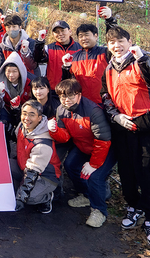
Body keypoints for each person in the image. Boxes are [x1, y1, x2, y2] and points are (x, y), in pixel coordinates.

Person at [101, 26, 150, 249]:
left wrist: (144, 59)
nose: (116, 46)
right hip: (123, 126)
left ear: (129, 42)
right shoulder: (109, 68)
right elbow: (105, 95)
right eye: (111, 42)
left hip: (147, 125)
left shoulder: (140, 61)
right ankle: (133, 205)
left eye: (120, 41)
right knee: (127, 170)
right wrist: (115, 115)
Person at [48, 79, 115, 228]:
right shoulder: (61, 110)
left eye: (71, 95)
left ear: (79, 95)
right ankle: (86, 195)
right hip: (83, 146)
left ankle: (99, 211)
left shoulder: (93, 111)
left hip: (105, 149)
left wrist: (93, 164)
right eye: (62, 96)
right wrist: (54, 130)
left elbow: (103, 140)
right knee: (70, 165)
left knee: (95, 176)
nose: (66, 100)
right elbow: (65, 137)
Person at [12, 100, 62, 214]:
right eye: (24, 113)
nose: (26, 118)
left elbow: (32, 172)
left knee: (29, 198)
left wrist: (21, 197)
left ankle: (47, 197)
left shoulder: (43, 143)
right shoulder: (22, 126)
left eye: (31, 114)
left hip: (45, 176)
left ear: (40, 118)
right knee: (3, 166)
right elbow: (14, 136)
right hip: (23, 166)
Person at [62, 7, 117, 105]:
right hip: (82, 104)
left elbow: (114, 38)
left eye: (87, 35)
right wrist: (66, 67)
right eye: (80, 36)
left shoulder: (106, 53)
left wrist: (110, 20)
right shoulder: (73, 58)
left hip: (106, 104)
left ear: (96, 36)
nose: (84, 38)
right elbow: (67, 83)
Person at [0, 52, 33, 142]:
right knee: (2, 126)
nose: (11, 75)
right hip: (6, 109)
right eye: (8, 71)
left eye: (14, 71)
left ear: (20, 71)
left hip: (25, 110)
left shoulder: (30, 81)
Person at [33, 20, 82, 89]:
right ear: (53, 34)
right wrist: (40, 42)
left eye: (62, 30)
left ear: (70, 32)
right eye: (56, 32)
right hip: (53, 89)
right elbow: (38, 58)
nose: (60, 34)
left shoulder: (80, 48)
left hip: (74, 90)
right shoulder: (49, 48)